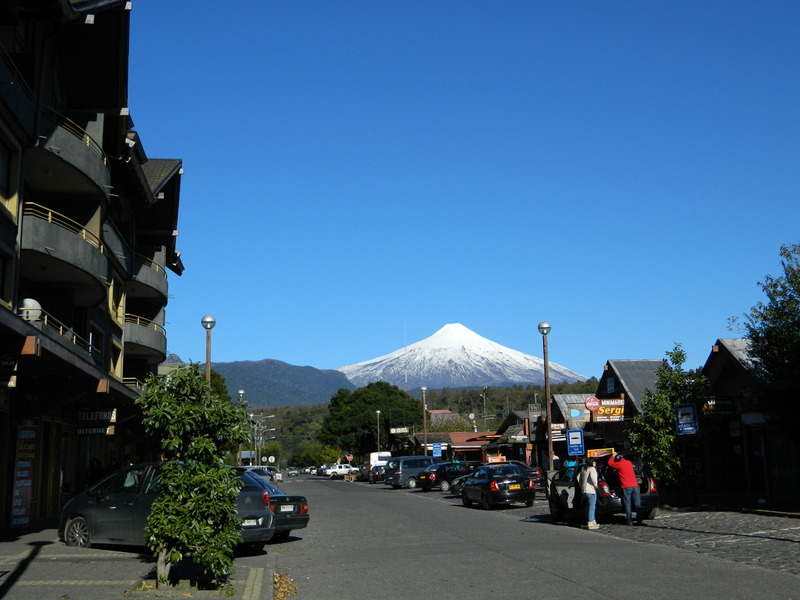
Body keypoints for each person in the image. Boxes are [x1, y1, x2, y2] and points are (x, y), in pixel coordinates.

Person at [606, 452, 642, 525]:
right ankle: (639, 520)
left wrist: (613, 456)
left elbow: (610, 463)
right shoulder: (629, 462)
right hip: (635, 485)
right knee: (637, 503)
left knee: (627, 503)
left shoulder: (619, 464)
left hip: (626, 486)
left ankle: (629, 520)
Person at [579, 458, 599, 529]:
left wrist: (581, 485)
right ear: (593, 462)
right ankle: (590, 522)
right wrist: (596, 485)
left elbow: (578, 478)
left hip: (584, 490)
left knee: (589, 506)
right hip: (591, 490)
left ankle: (593, 521)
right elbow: (593, 479)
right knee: (592, 507)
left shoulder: (583, 469)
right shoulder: (592, 469)